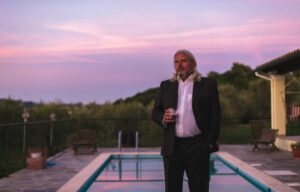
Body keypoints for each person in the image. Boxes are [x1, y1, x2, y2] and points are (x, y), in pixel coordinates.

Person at [152, 49, 221, 192]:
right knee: (172, 188)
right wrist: (162, 118)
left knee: (199, 188)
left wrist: (209, 143)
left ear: (193, 64)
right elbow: (155, 112)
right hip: (172, 146)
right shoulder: (166, 86)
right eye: (176, 62)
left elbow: (216, 116)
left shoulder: (208, 85)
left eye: (183, 61)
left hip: (198, 146)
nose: (179, 65)